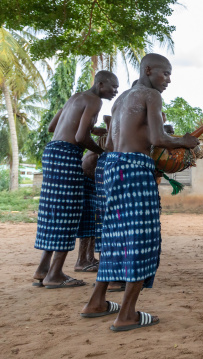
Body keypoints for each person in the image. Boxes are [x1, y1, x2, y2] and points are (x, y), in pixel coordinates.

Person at [80, 53, 200, 331]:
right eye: (165, 73)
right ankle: (127, 315)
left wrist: (152, 138)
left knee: (113, 235)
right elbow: (159, 139)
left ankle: (96, 302)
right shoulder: (150, 95)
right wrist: (183, 141)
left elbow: (110, 143)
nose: (168, 80)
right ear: (148, 70)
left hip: (111, 168)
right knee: (141, 239)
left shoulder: (121, 99)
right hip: (135, 168)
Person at [32, 71, 119, 288]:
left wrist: (92, 128)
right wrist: (102, 151)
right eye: (113, 87)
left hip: (52, 152)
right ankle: (55, 275)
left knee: (53, 210)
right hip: (68, 155)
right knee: (69, 212)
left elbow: (54, 127)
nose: (115, 92)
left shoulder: (75, 98)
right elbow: (80, 137)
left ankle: (43, 268)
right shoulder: (95, 100)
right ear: (100, 84)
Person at [74, 150, 100, 272]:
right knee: (87, 226)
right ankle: (81, 260)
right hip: (87, 189)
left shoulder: (96, 154)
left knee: (93, 226)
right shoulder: (94, 154)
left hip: (92, 189)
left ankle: (90, 257)